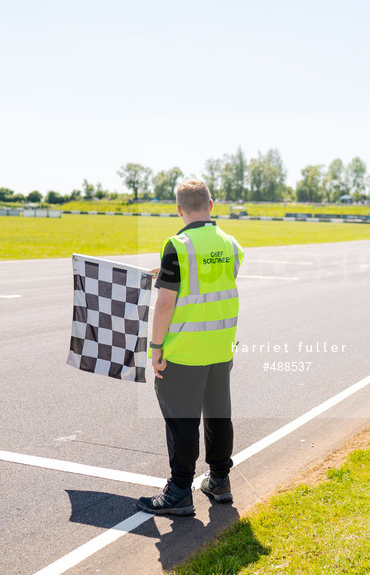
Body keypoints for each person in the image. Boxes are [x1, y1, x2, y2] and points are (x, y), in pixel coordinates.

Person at [137, 180, 244, 516]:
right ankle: (219, 480)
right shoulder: (230, 243)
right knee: (218, 415)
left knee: (182, 421)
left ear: (179, 209)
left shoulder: (177, 245)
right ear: (211, 205)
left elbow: (165, 302)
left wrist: (156, 347)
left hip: (185, 350)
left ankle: (180, 490)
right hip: (221, 347)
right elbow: (215, 280)